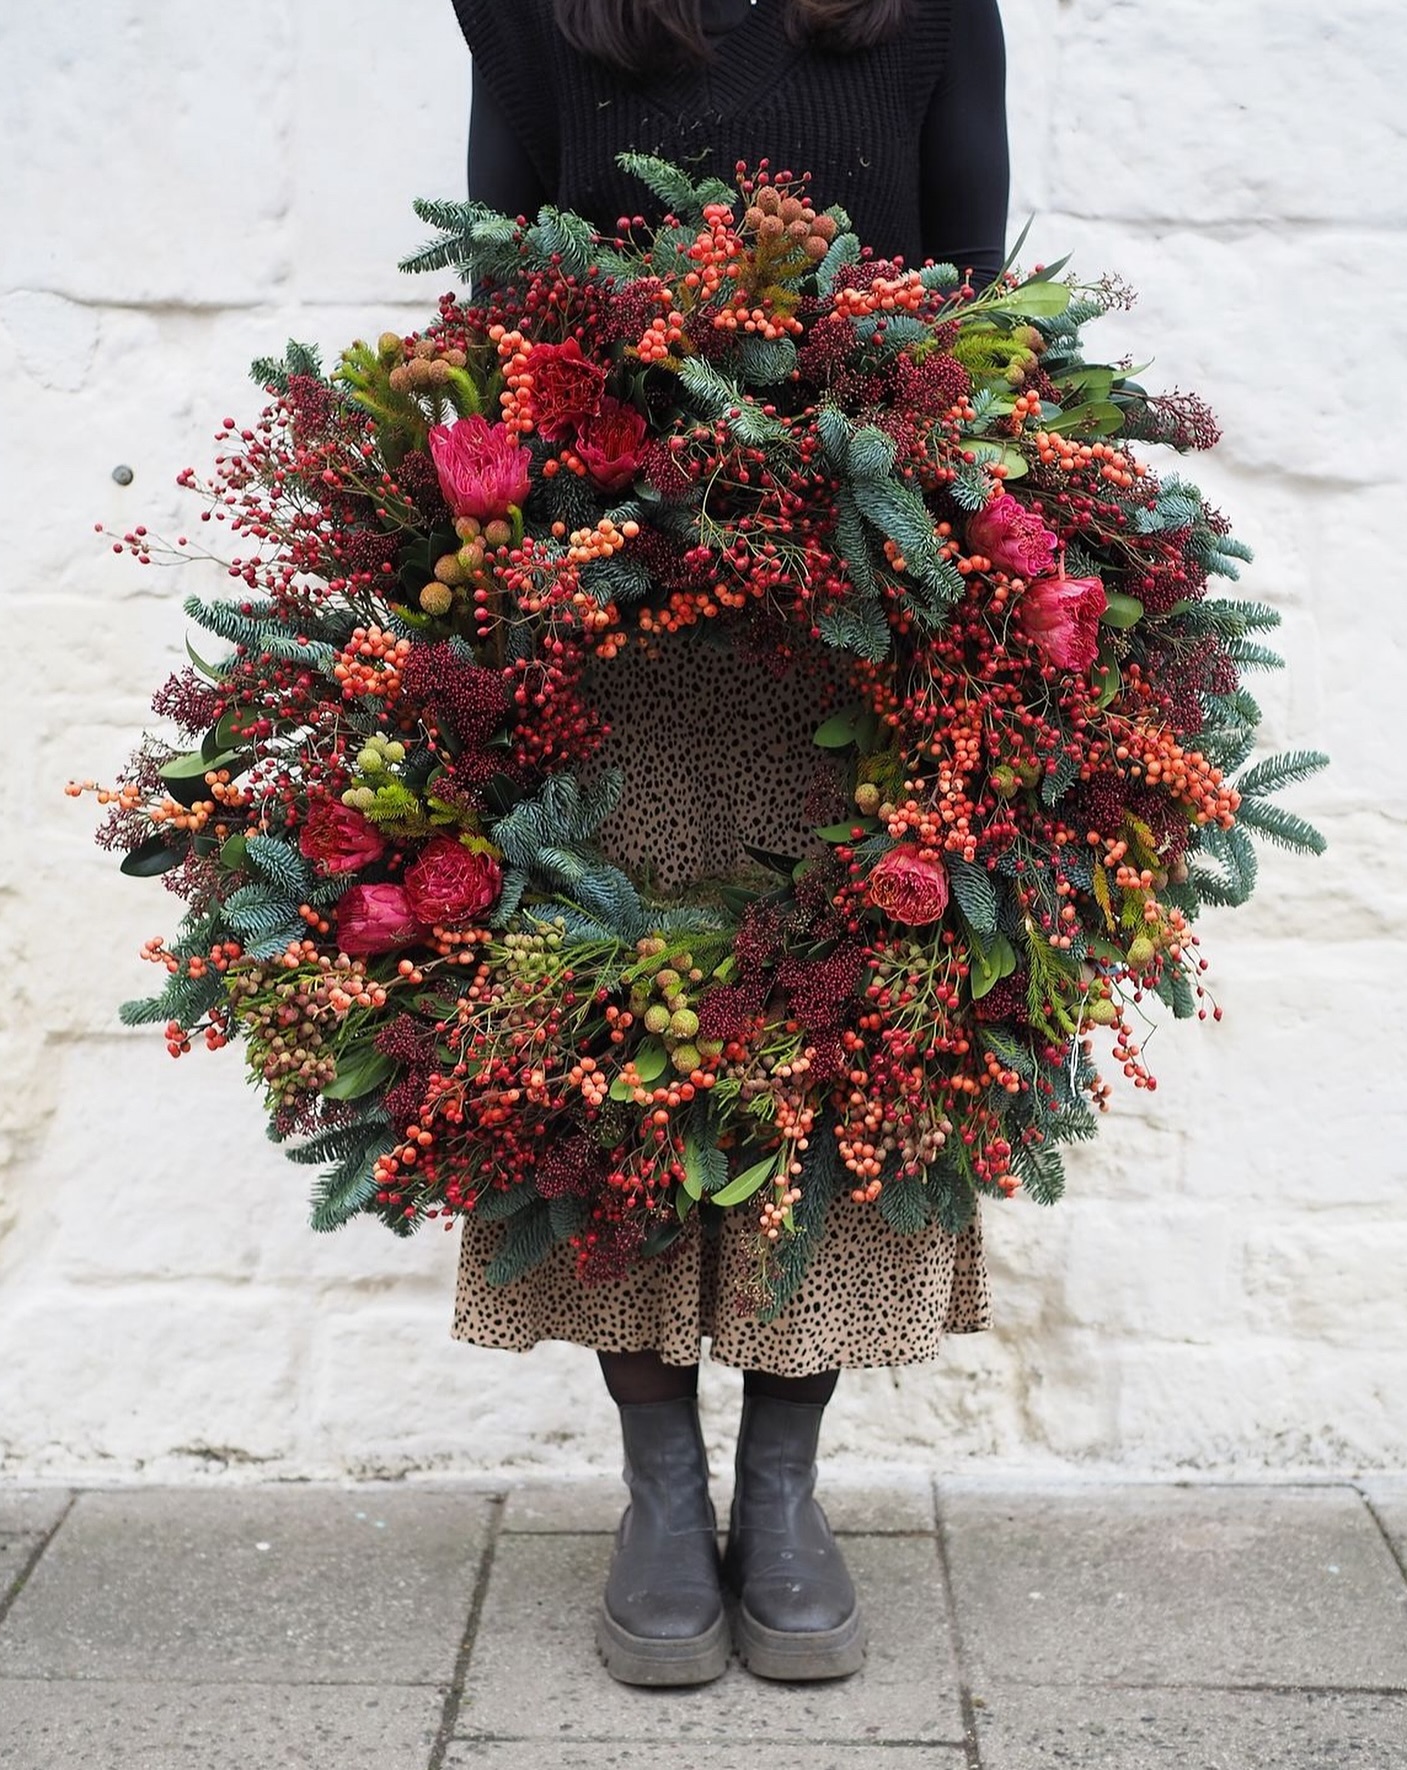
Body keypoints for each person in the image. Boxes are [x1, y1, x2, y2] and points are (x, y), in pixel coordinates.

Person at [445, 0, 1010, 1687]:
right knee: (606, 1043)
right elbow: (494, 285)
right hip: (619, 628)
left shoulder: (927, 13)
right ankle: (656, 1488)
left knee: (828, 1043)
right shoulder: (538, 10)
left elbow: (970, 300)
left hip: (838, 630)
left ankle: (782, 1485)